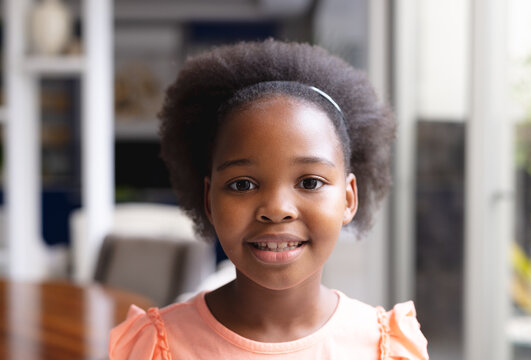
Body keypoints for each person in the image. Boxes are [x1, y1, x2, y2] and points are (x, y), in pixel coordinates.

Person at [109, 39, 429, 359]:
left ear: (348, 198)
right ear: (209, 201)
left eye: (310, 181)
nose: (277, 209)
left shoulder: (384, 347)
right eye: (243, 185)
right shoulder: (157, 347)